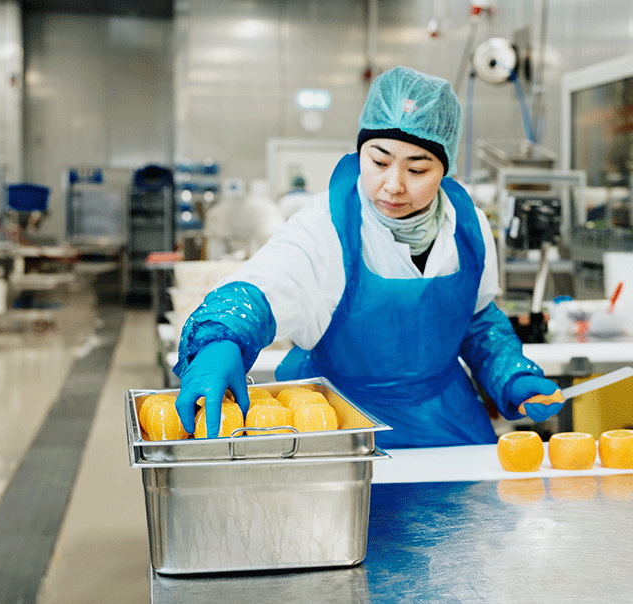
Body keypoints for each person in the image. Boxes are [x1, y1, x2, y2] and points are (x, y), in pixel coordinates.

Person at [173, 66, 563, 447]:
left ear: (444, 169)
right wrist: (220, 340)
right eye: (378, 161)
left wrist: (511, 374)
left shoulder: (467, 226)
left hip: (447, 425)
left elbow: (477, 323)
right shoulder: (327, 225)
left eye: (418, 168)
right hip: (343, 426)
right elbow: (261, 289)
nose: (393, 185)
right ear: (360, 152)